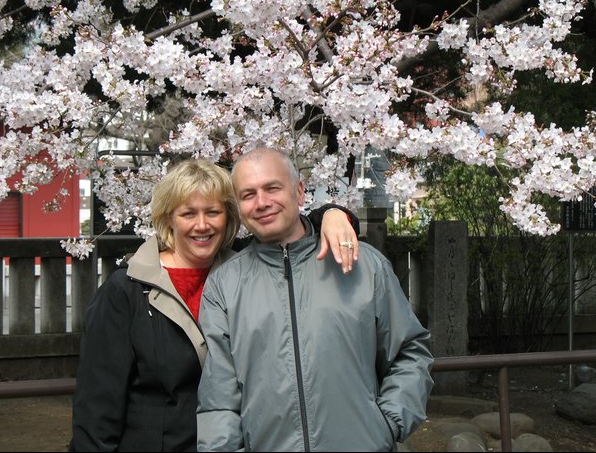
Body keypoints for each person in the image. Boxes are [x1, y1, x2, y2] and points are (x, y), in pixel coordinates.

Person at [69, 158, 360, 451]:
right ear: (169, 218)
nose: (202, 225)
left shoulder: (247, 271)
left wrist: (335, 214)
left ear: (229, 217)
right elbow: (96, 410)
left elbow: (291, 228)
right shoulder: (126, 291)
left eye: (213, 212)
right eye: (188, 214)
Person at [197, 147, 434, 452]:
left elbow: (409, 352)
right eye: (248, 194)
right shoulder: (225, 285)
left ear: (299, 192)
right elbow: (219, 398)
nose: (262, 203)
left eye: (272, 188)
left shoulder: (365, 264)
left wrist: (387, 424)